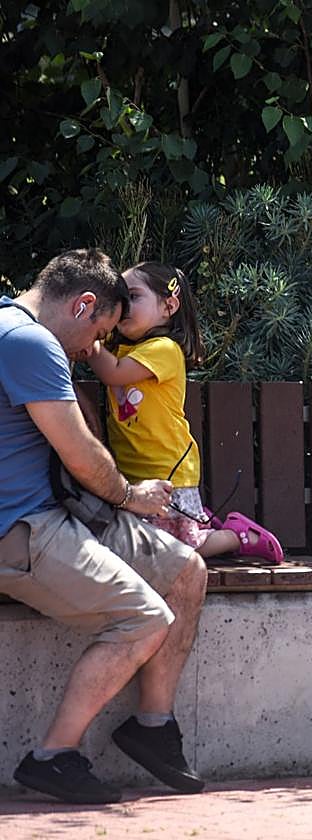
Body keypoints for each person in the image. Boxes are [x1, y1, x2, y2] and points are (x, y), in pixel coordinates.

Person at [0, 249, 207, 803]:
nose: (91, 348)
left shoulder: (20, 333)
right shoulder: (28, 341)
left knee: (186, 568)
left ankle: (153, 726)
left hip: (62, 513)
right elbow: (80, 455)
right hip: (21, 529)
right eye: (100, 330)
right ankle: (54, 756)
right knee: (144, 619)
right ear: (84, 303)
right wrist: (129, 495)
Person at [82, 262, 283, 562]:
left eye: (134, 297)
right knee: (146, 547)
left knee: (178, 552)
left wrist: (89, 340)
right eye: (120, 298)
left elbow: (112, 373)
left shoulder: (163, 350)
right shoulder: (122, 348)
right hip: (135, 471)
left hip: (167, 469)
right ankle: (200, 523)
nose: (123, 306)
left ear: (169, 306)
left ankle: (236, 536)